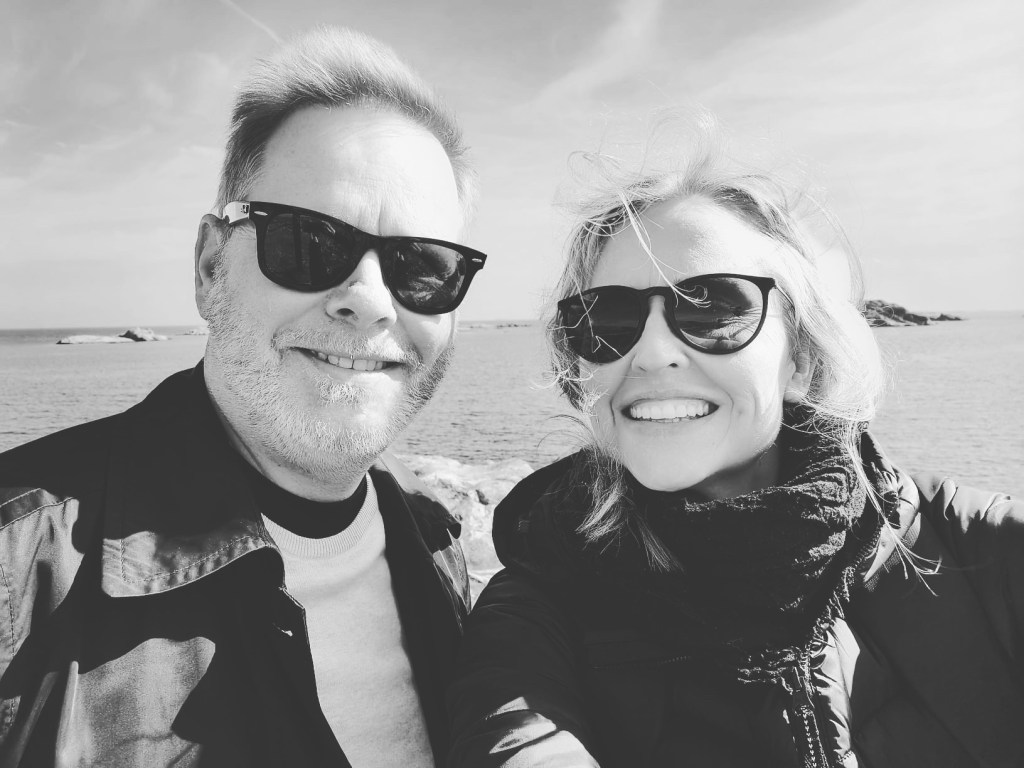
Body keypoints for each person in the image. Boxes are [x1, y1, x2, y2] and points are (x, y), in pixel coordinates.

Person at [446, 122, 1024, 767]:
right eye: (607, 318)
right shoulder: (535, 614)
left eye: (713, 308)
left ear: (802, 354)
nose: (653, 352)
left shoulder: (975, 550)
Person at [0, 26, 488, 768]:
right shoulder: (19, 570)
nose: (368, 300)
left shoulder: (436, 542)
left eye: (421, 266)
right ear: (209, 266)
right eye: (308, 243)